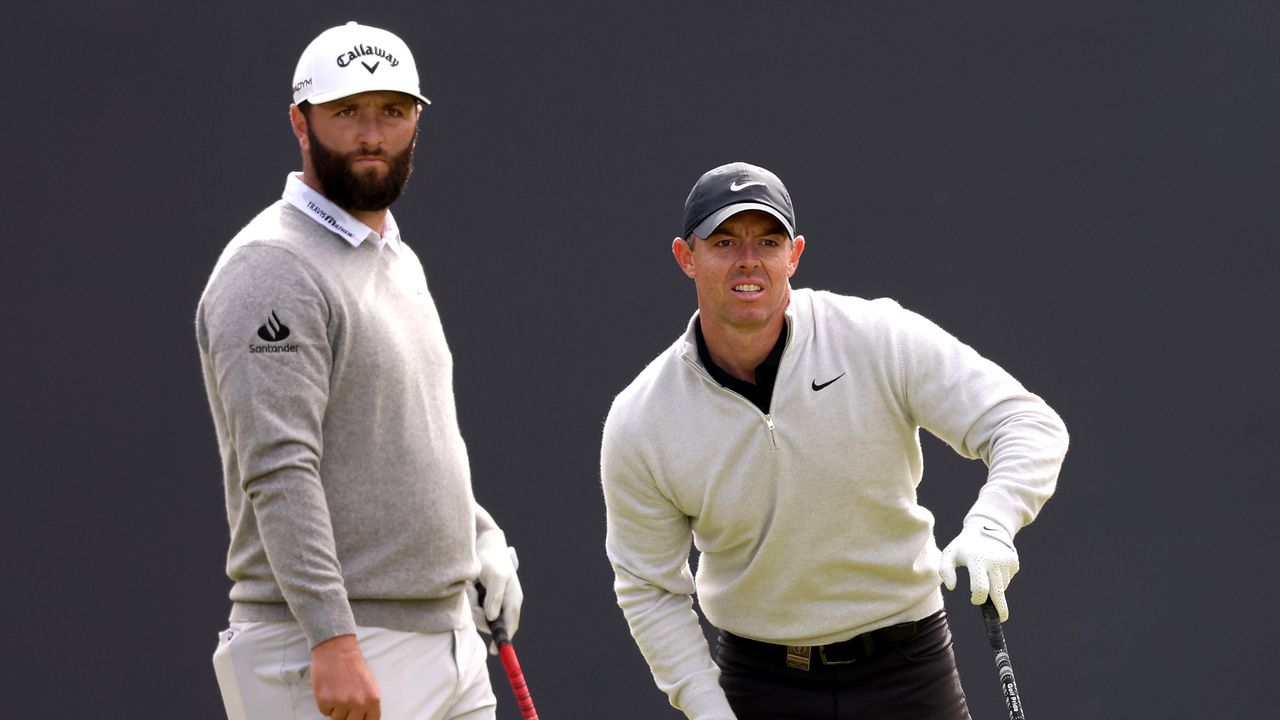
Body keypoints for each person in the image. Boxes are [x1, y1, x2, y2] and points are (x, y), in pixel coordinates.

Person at [600, 161, 1069, 720]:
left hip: (907, 664)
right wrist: (707, 709)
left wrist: (994, 523)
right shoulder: (642, 418)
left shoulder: (875, 337)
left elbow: (1025, 423)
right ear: (686, 256)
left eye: (767, 241)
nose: (748, 261)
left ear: (793, 255)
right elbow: (649, 587)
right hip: (760, 682)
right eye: (724, 241)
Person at [196, 21, 523, 720]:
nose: (373, 133)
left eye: (393, 112)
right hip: (328, 650)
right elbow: (280, 467)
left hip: (445, 641)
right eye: (348, 112)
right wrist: (333, 639)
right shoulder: (273, 267)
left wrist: (478, 540)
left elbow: (404, 443)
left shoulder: (395, 258)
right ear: (301, 122)